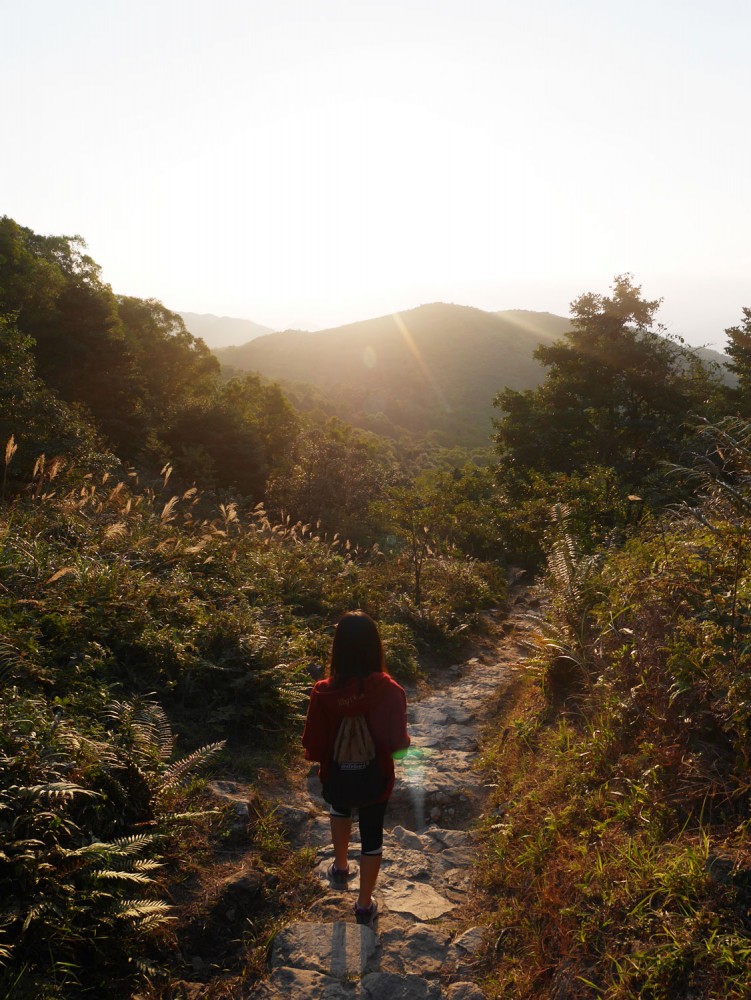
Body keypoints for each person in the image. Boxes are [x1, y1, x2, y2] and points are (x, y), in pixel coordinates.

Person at [302, 610, 410, 927]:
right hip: (376, 779)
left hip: (337, 775)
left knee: (340, 808)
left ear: (339, 649)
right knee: (372, 835)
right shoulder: (391, 691)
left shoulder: (323, 692)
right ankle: (364, 905)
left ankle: (339, 866)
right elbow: (398, 747)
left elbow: (313, 743)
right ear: (375, 647)